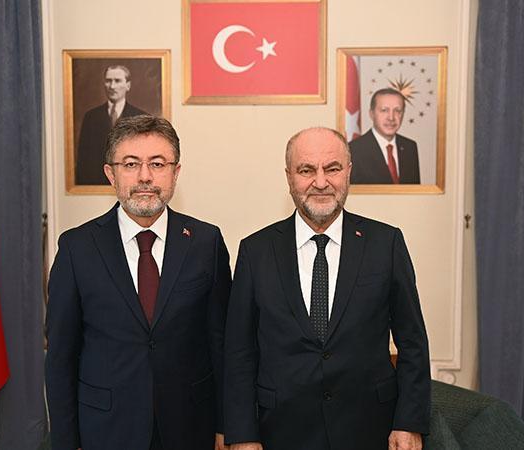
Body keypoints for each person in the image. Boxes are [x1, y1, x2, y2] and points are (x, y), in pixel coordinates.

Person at [224, 127, 430, 450]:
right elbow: (239, 353)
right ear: (289, 177)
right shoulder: (255, 251)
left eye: (332, 168)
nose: (320, 182)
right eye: (306, 170)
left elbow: (413, 342)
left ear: (348, 172)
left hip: (370, 431)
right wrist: (243, 436)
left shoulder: (386, 244)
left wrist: (409, 422)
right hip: (280, 432)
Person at [47, 116, 231, 450]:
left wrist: (225, 427)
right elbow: (61, 357)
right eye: (131, 164)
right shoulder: (77, 248)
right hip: (105, 431)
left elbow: (221, 345)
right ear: (110, 174)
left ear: (175, 172)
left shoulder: (206, 242)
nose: (145, 176)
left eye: (157, 164)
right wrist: (65, 442)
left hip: (190, 428)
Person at [76, 64, 149, 185]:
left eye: (117, 81)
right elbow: (83, 160)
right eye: (108, 81)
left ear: (128, 85)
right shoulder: (91, 117)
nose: (112, 86)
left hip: (131, 184)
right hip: (95, 185)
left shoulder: (142, 117)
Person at [349, 88, 420, 184]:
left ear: (403, 114)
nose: (391, 117)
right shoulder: (354, 150)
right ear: (371, 114)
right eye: (384, 110)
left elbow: (415, 191)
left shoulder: (410, 147)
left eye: (397, 111)